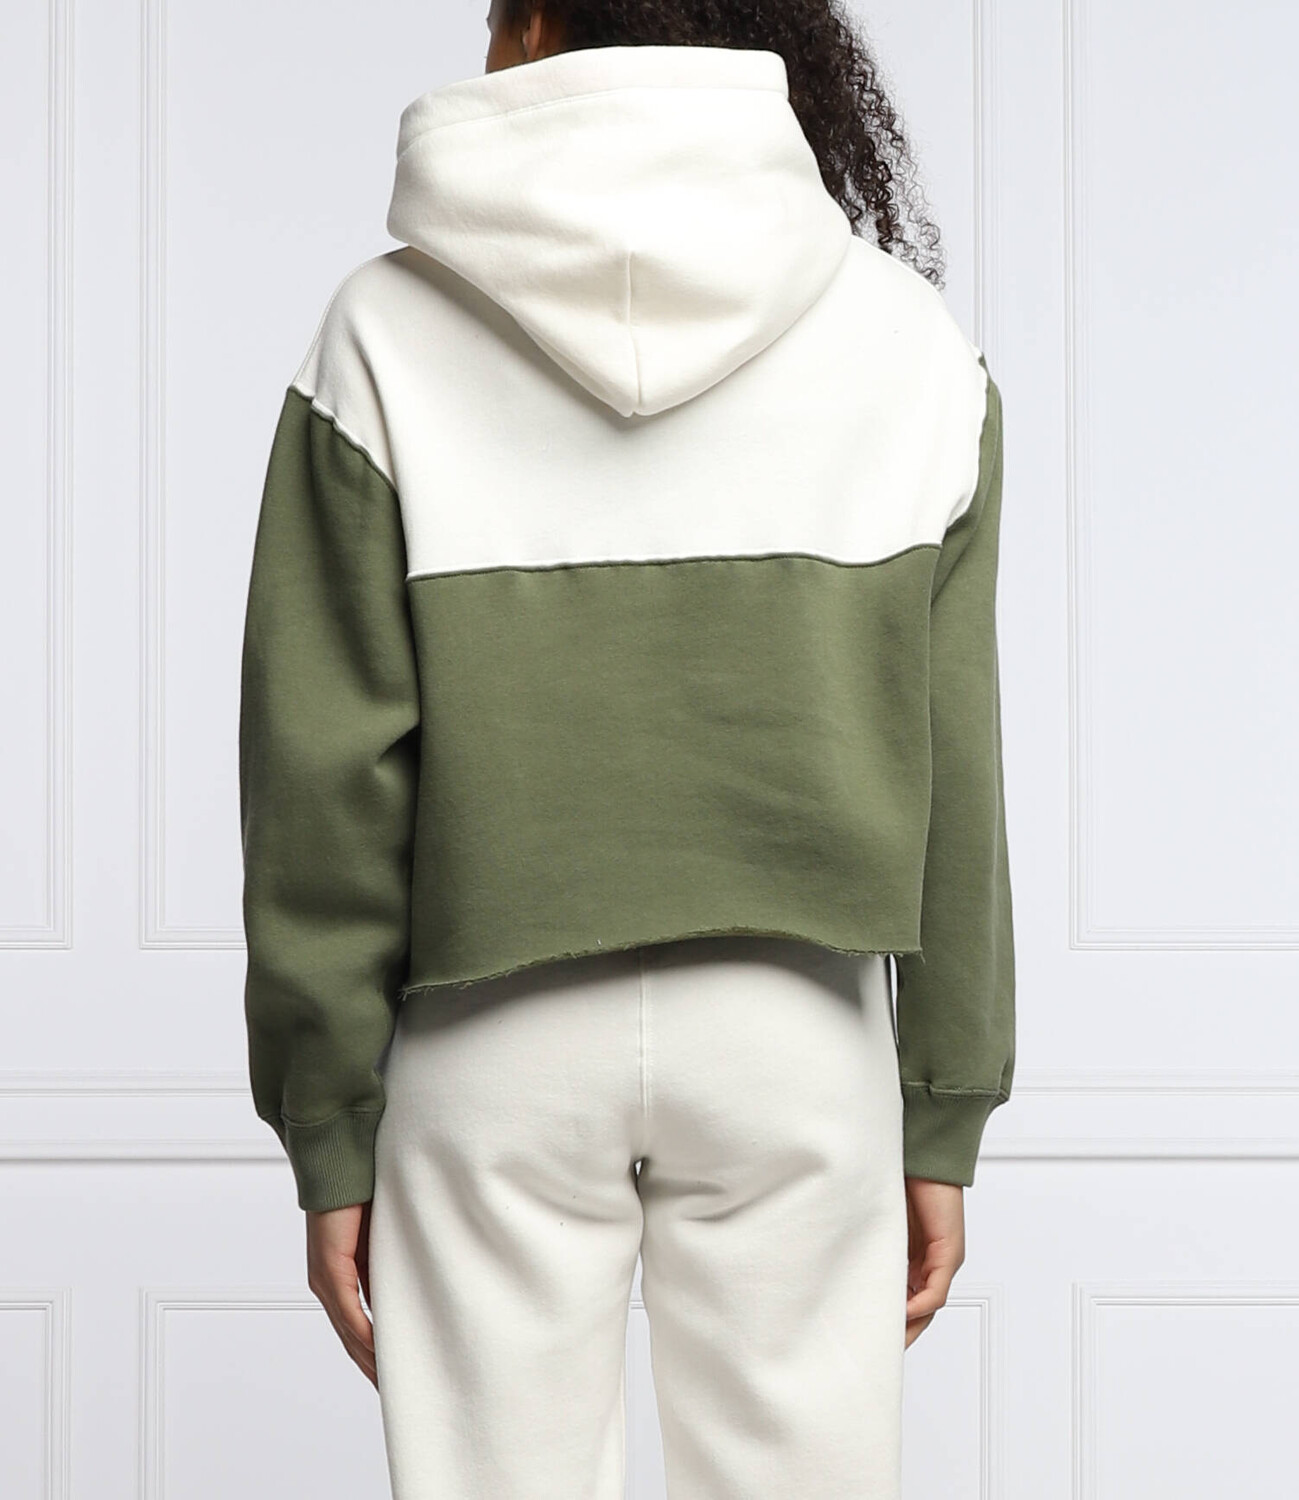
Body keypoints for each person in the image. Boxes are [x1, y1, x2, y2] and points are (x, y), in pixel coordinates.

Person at [237, 1, 1015, 1494]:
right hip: (798, 1039)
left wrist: (329, 1122)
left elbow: (320, 774)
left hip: (487, 1039)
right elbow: (958, 770)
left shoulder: (380, 331)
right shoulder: (908, 342)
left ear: (536, 21)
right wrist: (942, 1105)